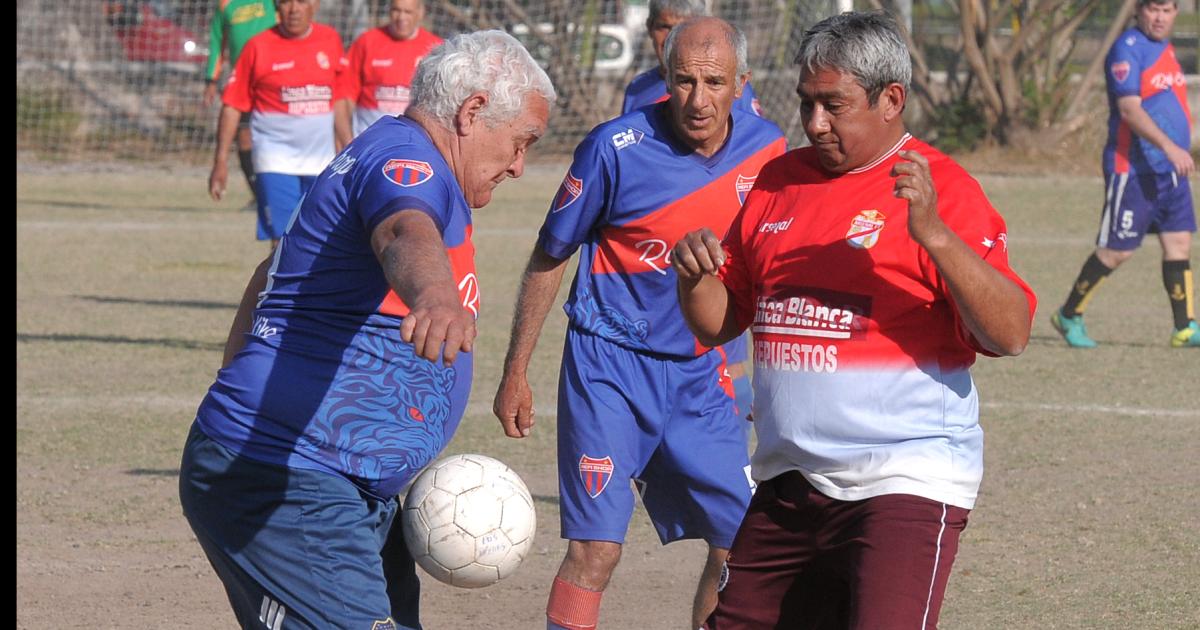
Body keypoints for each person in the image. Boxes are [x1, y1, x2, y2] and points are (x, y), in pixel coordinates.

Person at [670, 12, 1036, 629]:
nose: (814, 123)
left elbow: (1012, 332)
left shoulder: (942, 187)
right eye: (807, 103)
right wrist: (693, 276)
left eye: (833, 105)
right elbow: (719, 323)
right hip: (789, 480)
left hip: (903, 483)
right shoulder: (778, 182)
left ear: (891, 99)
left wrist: (936, 237)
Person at [180, 30, 554, 629]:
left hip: (337, 485)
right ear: (473, 111)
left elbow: (268, 270)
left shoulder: (388, 151)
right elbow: (404, 233)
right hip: (292, 482)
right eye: (520, 142)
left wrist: (238, 379)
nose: (518, 164)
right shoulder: (406, 164)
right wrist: (433, 295)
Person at [493, 17, 786, 630]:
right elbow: (551, 255)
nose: (698, 100)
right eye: (683, 81)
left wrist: (769, 372)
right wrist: (515, 369)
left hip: (703, 375)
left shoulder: (770, 151)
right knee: (595, 550)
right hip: (608, 370)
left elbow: (768, 268)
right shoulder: (612, 147)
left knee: (740, 546)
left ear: (742, 84)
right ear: (664, 77)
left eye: (713, 83)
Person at [1051, 0, 1197, 348]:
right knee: (1117, 251)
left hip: (1170, 171)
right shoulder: (1127, 49)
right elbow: (1129, 110)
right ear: (1138, 11)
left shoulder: (1165, 48)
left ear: (1176, 12)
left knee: (1178, 242)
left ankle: (1185, 327)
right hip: (1132, 169)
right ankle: (1069, 314)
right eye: (1153, 9)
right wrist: (1170, 146)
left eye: (1167, 10)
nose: (1159, 17)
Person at [207, 0, 346, 246]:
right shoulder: (258, 47)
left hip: (321, 163)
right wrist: (220, 161)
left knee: (322, 244)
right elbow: (232, 106)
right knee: (282, 244)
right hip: (275, 160)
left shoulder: (330, 40)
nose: (293, 9)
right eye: (285, 2)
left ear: (314, 5)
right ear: (276, 7)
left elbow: (338, 100)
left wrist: (348, 146)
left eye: (301, 2)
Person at [621, 0, 762, 118]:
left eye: (682, 28)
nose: (672, 38)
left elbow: (755, 142)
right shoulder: (637, 88)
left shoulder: (728, 86)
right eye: (664, 27)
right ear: (650, 28)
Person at [335, 0, 443, 148]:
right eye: (396, 10)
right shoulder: (367, 42)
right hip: (370, 147)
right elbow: (344, 98)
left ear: (420, 13)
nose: (401, 17)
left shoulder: (435, 49)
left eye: (408, 12)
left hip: (414, 148)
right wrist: (349, 144)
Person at [203, 0, 277, 211]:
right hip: (244, 82)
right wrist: (211, 79)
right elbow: (217, 42)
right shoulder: (226, 5)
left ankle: (280, 192)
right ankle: (260, 197)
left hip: (274, 80)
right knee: (244, 138)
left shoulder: (272, 3)